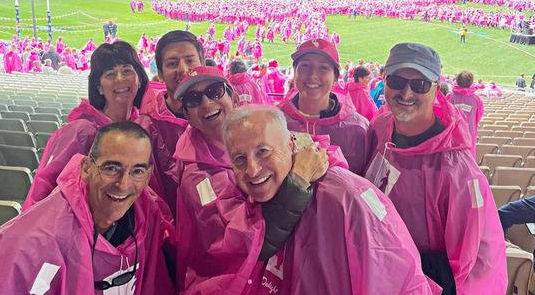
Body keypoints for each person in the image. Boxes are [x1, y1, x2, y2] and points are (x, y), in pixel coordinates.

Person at [215, 105, 439, 294]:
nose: (252, 170)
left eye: (263, 152)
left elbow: (394, 276)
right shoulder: (243, 194)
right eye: (240, 159)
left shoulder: (345, 198)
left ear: (291, 144)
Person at [0, 122, 175, 294]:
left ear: (148, 175)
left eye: (137, 171)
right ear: (86, 168)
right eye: (111, 168)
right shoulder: (34, 242)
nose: (123, 184)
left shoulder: (145, 215)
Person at [364, 43, 507, 294]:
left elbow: (474, 266)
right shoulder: (380, 127)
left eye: (419, 85)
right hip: (374, 269)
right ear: (384, 82)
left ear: (436, 89)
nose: (406, 93)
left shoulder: (458, 171)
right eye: (397, 81)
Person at [172, 68, 328, 292]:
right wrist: (298, 180)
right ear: (187, 115)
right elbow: (246, 244)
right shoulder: (198, 178)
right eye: (193, 99)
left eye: (214, 91)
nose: (206, 103)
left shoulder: (249, 132)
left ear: (234, 98)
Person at [23, 41, 149, 210]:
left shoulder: (143, 126)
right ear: (98, 87)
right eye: (110, 74)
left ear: (139, 79)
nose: (120, 79)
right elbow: (42, 191)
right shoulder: (80, 131)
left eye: (127, 71)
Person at [137, 30, 204, 214]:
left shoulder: (219, 114)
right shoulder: (147, 125)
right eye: (172, 63)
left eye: (190, 60)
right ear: (160, 73)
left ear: (202, 64)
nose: (183, 69)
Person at [278, 39, 369, 174]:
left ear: (335, 79)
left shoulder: (358, 128)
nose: (313, 75)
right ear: (294, 72)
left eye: (323, 68)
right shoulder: (275, 122)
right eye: (305, 66)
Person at [447, 70, 484, 157]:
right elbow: (478, 116)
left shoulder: (450, 96)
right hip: (468, 131)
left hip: (453, 132)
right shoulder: (476, 99)